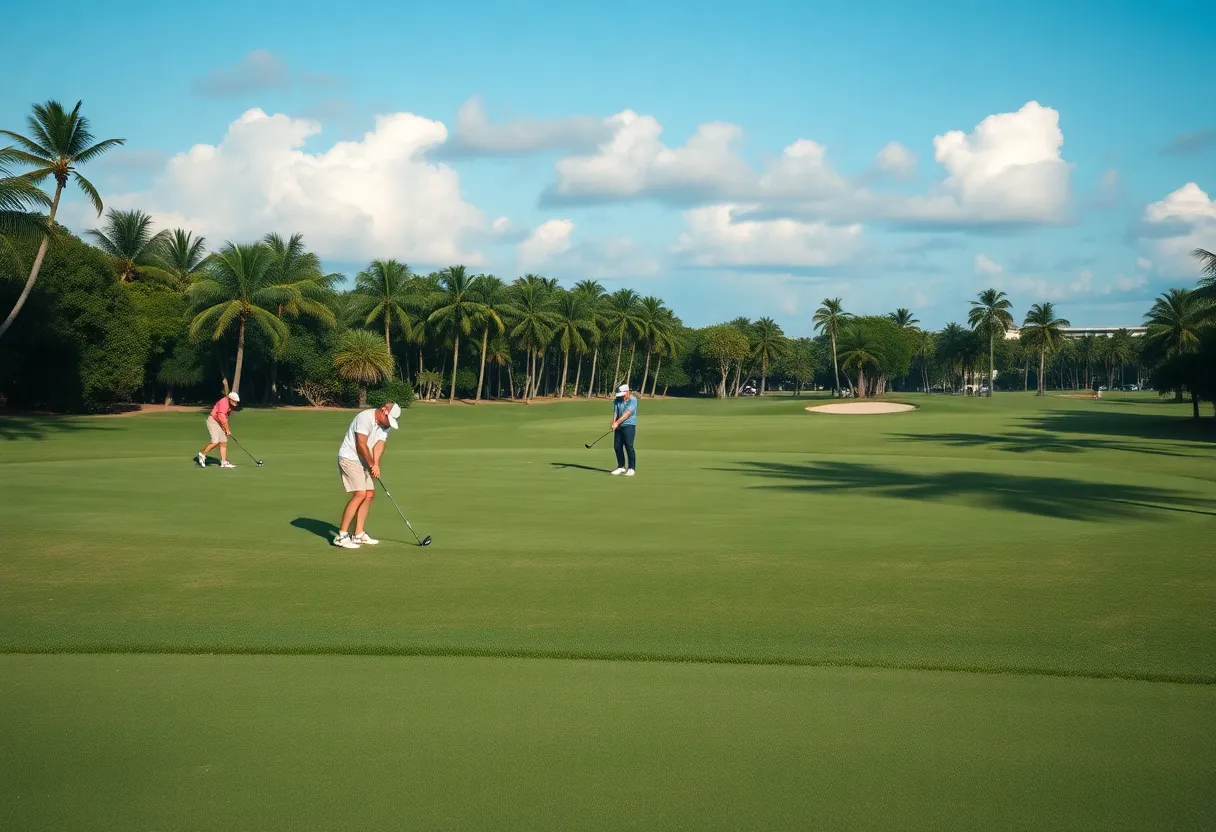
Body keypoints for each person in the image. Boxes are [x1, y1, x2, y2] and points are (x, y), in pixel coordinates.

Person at [333, 401, 401, 549]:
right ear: (384, 411)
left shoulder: (385, 425)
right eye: (389, 421)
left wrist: (375, 464)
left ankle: (358, 534)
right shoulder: (364, 418)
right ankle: (341, 536)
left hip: (365, 460)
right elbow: (361, 445)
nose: (389, 424)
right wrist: (371, 464)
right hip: (350, 458)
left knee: (369, 494)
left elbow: (379, 444)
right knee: (360, 493)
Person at [198, 391, 240, 468]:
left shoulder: (230, 404)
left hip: (219, 423)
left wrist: (225, 428)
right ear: (230, 399)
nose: (236, 403)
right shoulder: (224, 403)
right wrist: (227, 429)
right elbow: (222, 417)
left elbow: (225, 418)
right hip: (213, 421)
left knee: (223, 441)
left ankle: (223, 462)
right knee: (215, 441)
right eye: (235, 401)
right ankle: (202, 454)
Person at [610, 383, 637, 477]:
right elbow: (615, 412)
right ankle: (621, 466)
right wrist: (613, 423)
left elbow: (627, 414)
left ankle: (631, 468)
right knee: (617, 446)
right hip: (619, 426)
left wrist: (617, 423)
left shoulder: (633, 400)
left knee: (629, 446)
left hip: (629, 425)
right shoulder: (617, 400)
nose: (620, 396)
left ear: (627, 392)